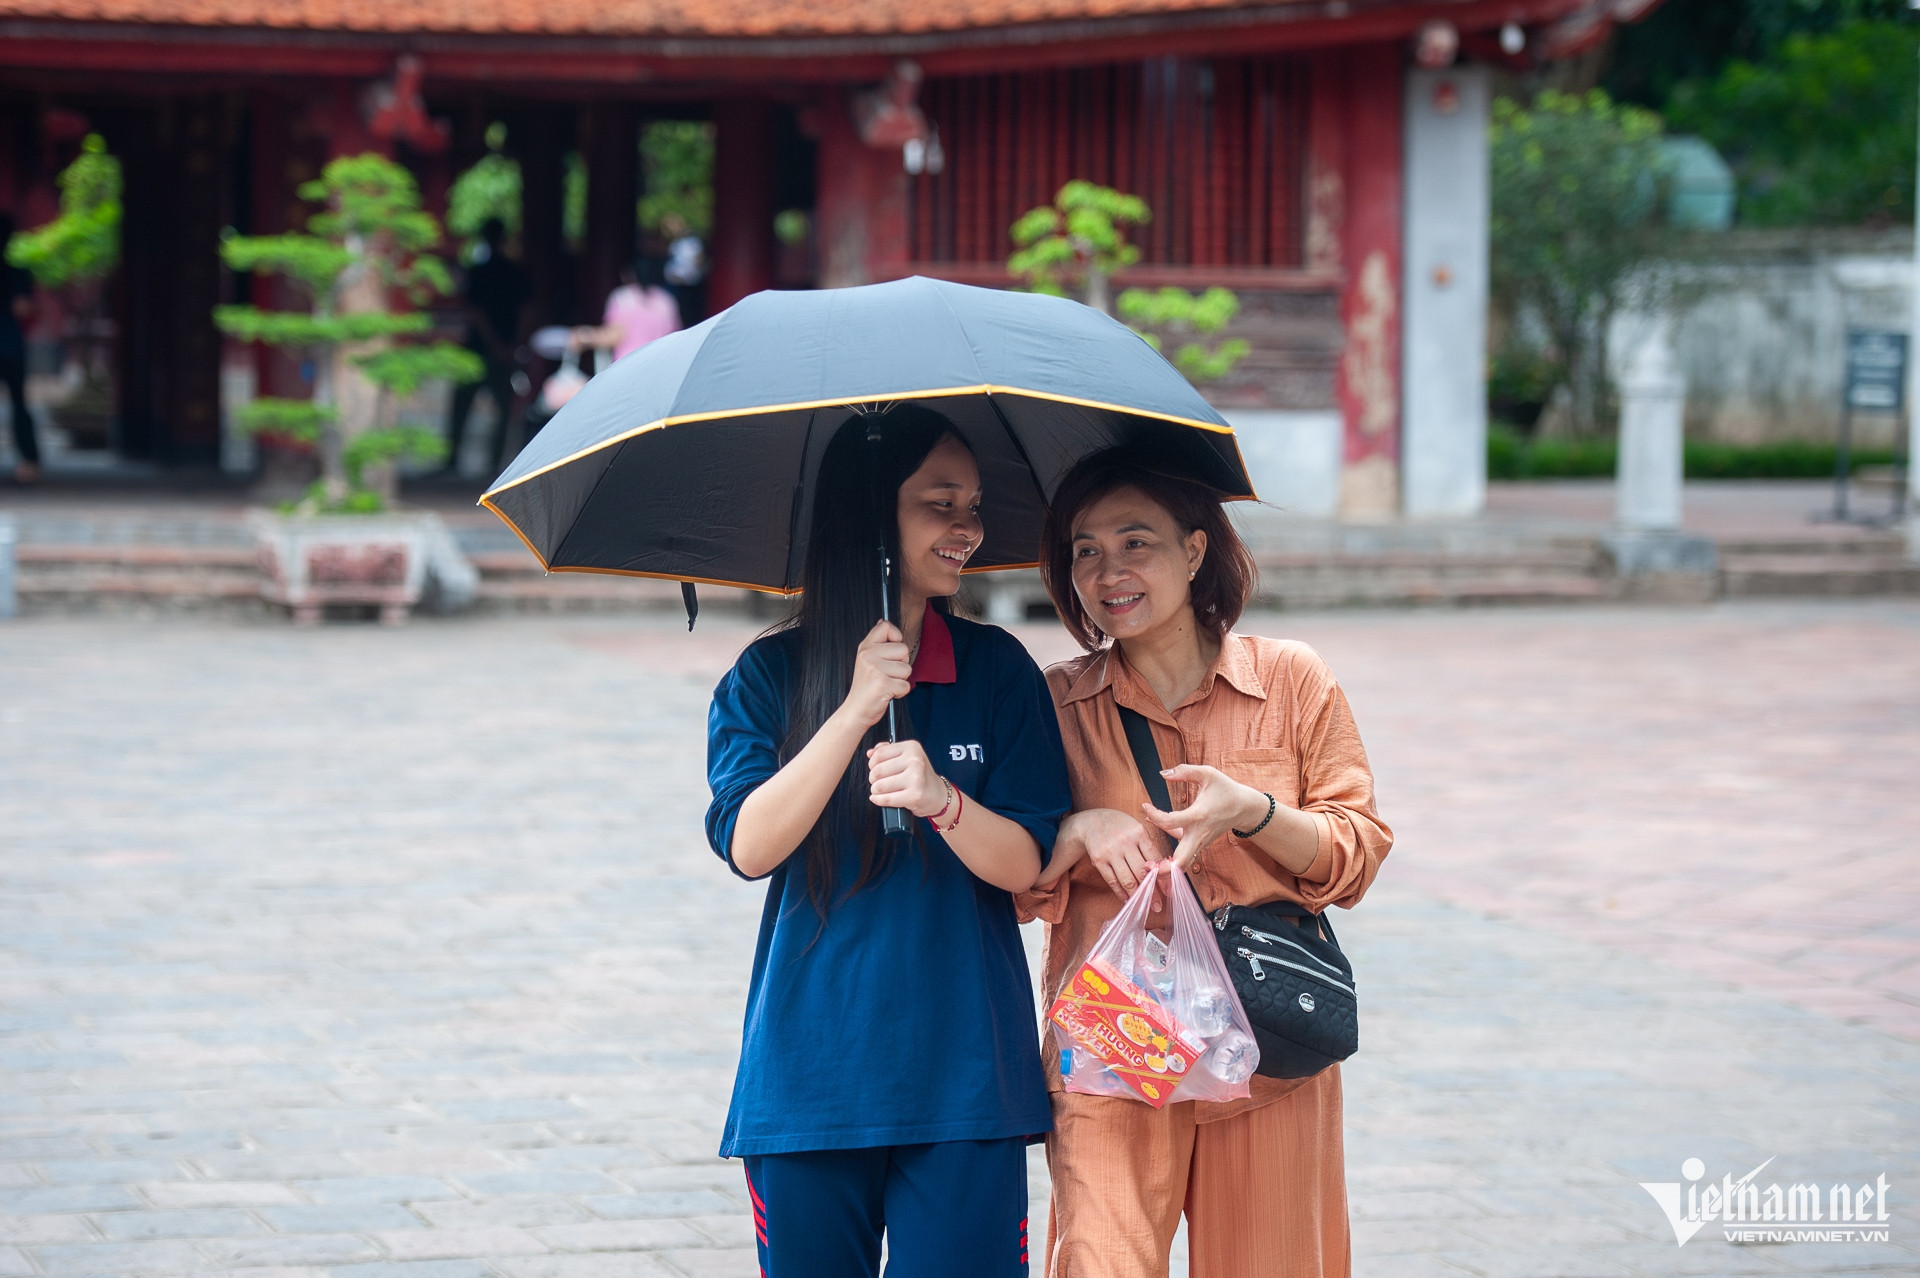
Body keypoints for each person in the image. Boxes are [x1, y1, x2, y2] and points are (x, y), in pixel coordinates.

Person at [705, 405, 1070, 1278]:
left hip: (966, 1078)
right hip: (810, 1079)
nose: (968, 529)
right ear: (870, 520)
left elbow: (1023, 864)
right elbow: (751, 846)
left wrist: (945, 799)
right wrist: (856, 710)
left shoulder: (996, 669)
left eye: (974, 505)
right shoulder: (767, 676)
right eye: (940, 504)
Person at [1016, 449, 1392, 1278]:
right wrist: (1079, 828)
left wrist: (1252, 814)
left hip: (1266, 1047)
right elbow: (1007, 885)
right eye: (1084, 550)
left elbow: (1355, 856)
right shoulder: (1053, 706)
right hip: (1118, 1037)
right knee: (1102, 1264)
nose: (1107, 571)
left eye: (1134, 542)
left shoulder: (1292, 681)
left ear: (1194, 550)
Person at [443, 217, 529, 477]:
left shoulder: (479, 271)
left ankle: (452, 459)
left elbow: (475, 313)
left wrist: (497, 344)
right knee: (502, 408)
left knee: (463, 404)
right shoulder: (515, 271)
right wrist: (511, 346)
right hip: (498, 347)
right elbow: (528, 312)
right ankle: (494, 462)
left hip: (479, 346)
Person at [572, 253, 679, 365]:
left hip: (628, 367)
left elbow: (614, 336)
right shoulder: (667, 300)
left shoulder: (622, 297)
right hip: (660, 365)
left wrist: (583, 336)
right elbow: (674, 338)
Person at [0, 214, 39, 484]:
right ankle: (28, 462)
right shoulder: (16, 270)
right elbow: (23, 308)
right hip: (9, 344)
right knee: (18, 403)